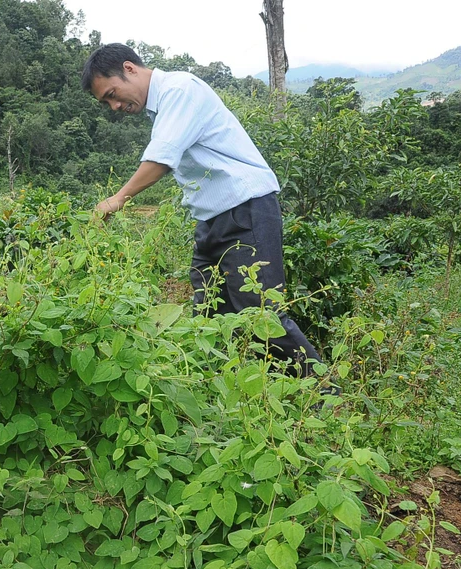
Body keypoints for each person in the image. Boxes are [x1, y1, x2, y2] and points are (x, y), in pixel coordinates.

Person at [82, 43, 322, 376]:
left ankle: (324, 397)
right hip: (212, 222)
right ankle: (221, 401)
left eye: (112, 94)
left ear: (130, 69)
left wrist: (118, 198)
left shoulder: (179, 90)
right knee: (210, 318)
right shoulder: (162, 106)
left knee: (263, 316)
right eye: (106, 102)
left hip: (246, 210)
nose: (114, 105)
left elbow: (161, 157)